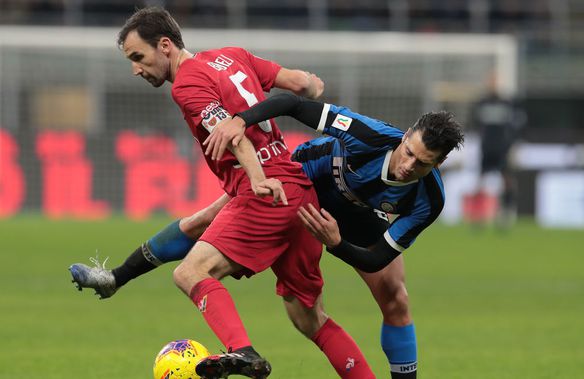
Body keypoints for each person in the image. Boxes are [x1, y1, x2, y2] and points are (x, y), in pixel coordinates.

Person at [70, 7, 376, 379]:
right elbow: (297, 83)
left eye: (138, 57)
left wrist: (257, 178)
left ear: (164, 45)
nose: (136, 68)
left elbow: (234, 135)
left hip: (265, 188)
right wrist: (311, 85)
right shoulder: (233, 55)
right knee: (309, 319)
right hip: (298, 191)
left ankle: (242, 351)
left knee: (190, 273)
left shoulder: (186, 85)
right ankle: (116, 277)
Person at [72, 93, 464, 378]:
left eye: (421, 163)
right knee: (204, 218)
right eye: (408, 151)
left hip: (357, 219)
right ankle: (115, 278)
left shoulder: (429, 199)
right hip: (302, 180)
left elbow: (377, 257)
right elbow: (294, 104)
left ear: (440, 164)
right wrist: (241, 120)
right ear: (406, 134)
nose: (406, 165)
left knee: (395, 297)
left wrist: (336, 244)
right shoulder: (369, 135)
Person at [468, 72, 526, 228]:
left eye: (495, 81)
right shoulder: (481, 103)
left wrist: (513, 145)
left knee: (507, 180)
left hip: (502, 148)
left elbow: (515, 126)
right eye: (490, 81)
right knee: (480, 182)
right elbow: (474, 124)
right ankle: (478, 215)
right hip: (486, 148)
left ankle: (506, 213)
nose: (492, 84)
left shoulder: (506, 102)